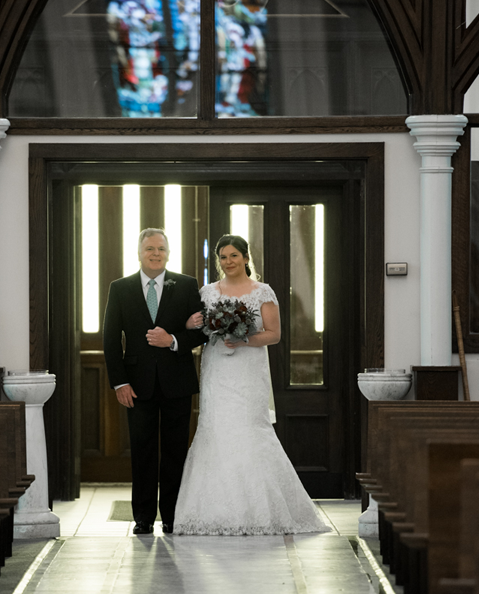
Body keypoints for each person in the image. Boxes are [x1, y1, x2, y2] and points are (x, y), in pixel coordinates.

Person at [174, 235, 329, 535]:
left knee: (249, 429)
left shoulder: (263, 292)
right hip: (217, 369)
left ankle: (260, 509)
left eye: (233, 255)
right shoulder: (206, 293)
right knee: (216, 429)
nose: (228, 261)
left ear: (246, 258)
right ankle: (211, 511)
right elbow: (197, 328)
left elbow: (274, 334)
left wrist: (243, 338)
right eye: (223, 257)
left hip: (248, 372)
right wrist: (192, 325)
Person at [102, 228, 208, 535]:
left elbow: (202, 329)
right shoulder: (120, 288)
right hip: (137, 385)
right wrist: (119, 383)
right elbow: (110, 338)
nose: (156, 253)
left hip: (177, 381)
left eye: (161, 248)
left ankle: (173, 516)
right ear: (139, 252)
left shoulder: (187, 284)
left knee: (175, 451)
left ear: (168, 253)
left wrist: (173, 339)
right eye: (150, 248)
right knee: (143, 450)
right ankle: (144, 518)